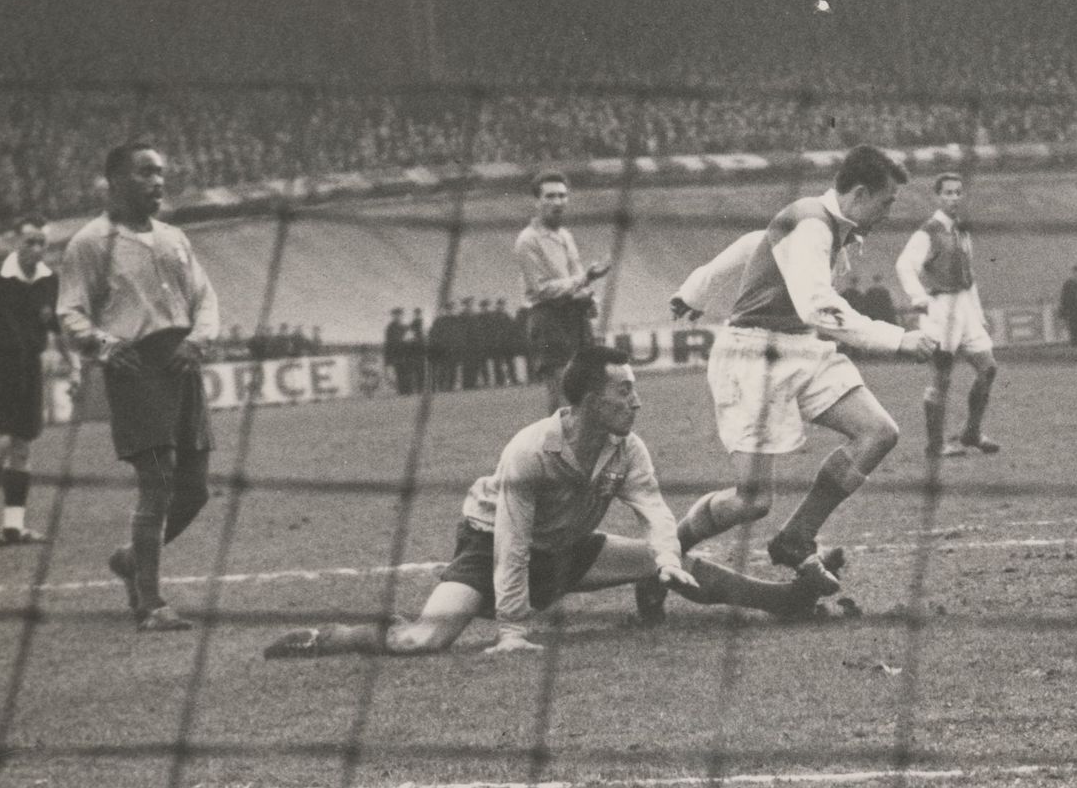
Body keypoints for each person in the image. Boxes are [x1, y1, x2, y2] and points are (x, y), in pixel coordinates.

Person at [262, 347, 835, 659]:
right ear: (589, 400)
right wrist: (511, 628)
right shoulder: (531, 451)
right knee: (423, 641)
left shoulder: (626, 447)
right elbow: (510, 542)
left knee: (683, 566)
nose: (637, 401)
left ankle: (784, 600)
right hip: (489, 549)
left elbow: (656, 511)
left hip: (565, 550)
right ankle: (333, 638)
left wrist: (664, 556)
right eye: (624, 391)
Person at [665, 144, 937, 614]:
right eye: (887, 201)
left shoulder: (825, 224)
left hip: (801, 348)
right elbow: (815, 304)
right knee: (752, 500)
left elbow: (757, 241)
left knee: (877, 432)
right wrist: (897, 340)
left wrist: (697, 286)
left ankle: (797, 536)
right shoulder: (812, 222)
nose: (890, 212)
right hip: (754, 355)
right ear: (858, 193)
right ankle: (667, 549)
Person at [57, 142, 222, 632]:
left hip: (182, 364)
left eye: (161, 173)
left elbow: (205, 297)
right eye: (146, 173)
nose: (158, 182)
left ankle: (131, 559)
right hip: (135, 370)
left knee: (194, 491)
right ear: (114, 180)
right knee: (159, 482)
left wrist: (199, 340)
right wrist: (103, 345)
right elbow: (70, 310)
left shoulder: (174, 238)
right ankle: (150, 604)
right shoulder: (89, 243)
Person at [0, 215, 62, 545]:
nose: (35, 249)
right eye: (28, 241)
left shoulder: (50, 282)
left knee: (22, 446)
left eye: (41, 243)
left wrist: (69, 363)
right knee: (2, 442)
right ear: (13, 242)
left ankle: (14, 526)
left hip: (29, 369)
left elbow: (55, 327)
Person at [894, 171, 1003, 457]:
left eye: (958, 192)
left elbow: (971, 275)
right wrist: (918, 298)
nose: (954, 198)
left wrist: (978, 314)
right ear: (937, 196)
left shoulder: (962, 230)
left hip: (965, 307)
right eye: (948, 193)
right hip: (940, 310)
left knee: (988, 368)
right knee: (942, 378)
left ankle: (972, 432)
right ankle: (935, 444)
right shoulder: (928, 231)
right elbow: (905, 265)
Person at [516, 172, 611, 410]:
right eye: (550, 196)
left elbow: (576, 277)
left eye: (562, 196)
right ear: (537, 201)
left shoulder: (565, 235)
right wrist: (585, 278)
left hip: (575, 318)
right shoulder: (528, 240)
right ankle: (556, 446)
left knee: (589, 391)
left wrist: (589, 297)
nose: (558, 202)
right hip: (550, 320)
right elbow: (541, 288)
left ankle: (584, 446)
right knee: (561, 393)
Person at [384, 308, 416, 395]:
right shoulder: (390, 328)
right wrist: (388, 361)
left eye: (399, 315)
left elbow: (412, 342)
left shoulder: (406, 327)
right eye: (395, 315)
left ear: (402, 316)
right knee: (400, 377)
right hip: (397, 356)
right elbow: (389, 344)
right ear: (393, 316)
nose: (398, 317)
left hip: (407, 356)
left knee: (408, 377)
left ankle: (409, 395)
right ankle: (402, 396)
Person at [1058, 265, 1077, 344]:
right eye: (1075, 272)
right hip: (1072, 309)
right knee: (1073, 327)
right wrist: (1064, 311)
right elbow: (1064, 298)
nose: (1076, 274)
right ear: (1072, 273)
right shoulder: (1067, 284)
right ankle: (1075, 342)